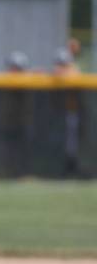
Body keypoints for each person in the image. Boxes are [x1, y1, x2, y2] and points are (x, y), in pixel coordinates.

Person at [51, 45, 84, 177]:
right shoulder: (55, 72)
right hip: (58, 114)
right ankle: (59, 167)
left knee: (71, 144)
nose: (60, 66)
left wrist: (63, 71)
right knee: (59, 143)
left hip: (72, 113)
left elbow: (72, 75)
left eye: (63, 64)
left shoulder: (74, 71)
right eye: (59, 63)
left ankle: (71, 168)